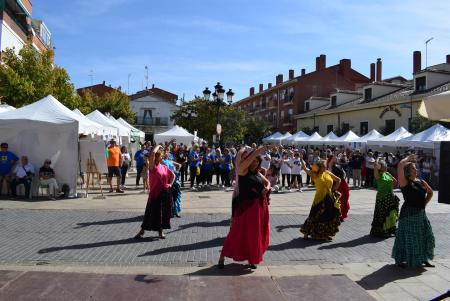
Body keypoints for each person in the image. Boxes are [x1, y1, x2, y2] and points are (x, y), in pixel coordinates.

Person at [218, 146, 271, 269]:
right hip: (246, 208)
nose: (255, 163)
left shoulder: (256, 172)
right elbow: (239, 159)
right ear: (248, 160)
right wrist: (252, 150)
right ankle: (222, 256)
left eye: (257, 161)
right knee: (237, 232)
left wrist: (267, 188)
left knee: (255, 234)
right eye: (253, 160)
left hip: (259, 207)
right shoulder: (242, 171)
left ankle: (252, 259)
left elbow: (267, 182)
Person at [392, 155, 435, 268]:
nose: (416, 169)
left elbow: (430, 193)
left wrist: (424, 203)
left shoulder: (421, 181)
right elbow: (400, 166)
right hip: (408, 214)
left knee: (425, 236)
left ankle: (424, 258)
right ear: (408, 171)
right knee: (410, 238)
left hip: (421, 214)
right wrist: (407, 159)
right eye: (413, 168)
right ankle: (401, 260)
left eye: (416, 168)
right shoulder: (404, 182)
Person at [135, 145, 175, 239]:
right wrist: (159, 146)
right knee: (149, 213)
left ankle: (160, 232)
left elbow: (173, 175)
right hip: (154, 194)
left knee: (162, 214)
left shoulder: (164, 167)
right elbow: (152, 153)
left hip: (164, 193)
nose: (162, 157)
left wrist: (170, 184)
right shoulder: (152, 166)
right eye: (160, 156)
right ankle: (142, 231)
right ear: (156, 157)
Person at [300, 159, 341, 240]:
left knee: (328, 215)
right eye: (323, 166)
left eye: (325, 165)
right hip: (319, 198)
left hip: (329, 197)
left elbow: (338, 180)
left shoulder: (327, 173)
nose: (325, 167)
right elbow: (305, 168)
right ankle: (306, 232)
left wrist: (334, 190)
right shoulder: (314, 174)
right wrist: (301, 159)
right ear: (319, 167)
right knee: (314, 215)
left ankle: (324, 234)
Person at [370, 159, 399, 238]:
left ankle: (391, 229)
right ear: (381, 167)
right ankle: (383, 230)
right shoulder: (378, 175)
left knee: (392, 214)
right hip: (382, 198)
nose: (386, 166)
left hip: (390, 197)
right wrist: (377, 161)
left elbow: (395, 181)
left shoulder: (387, 174)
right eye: (385, 165)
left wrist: (389, 175)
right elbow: (375, 167)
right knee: (383, 215)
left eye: (386, 165)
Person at [328, 155, 350, 221]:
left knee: (345, 198)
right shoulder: (329, 166)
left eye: (336, 158)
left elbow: (344, 173)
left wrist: (343, 178)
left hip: (343, 183)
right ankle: (337, 215)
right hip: (337, 184)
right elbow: (330, 175)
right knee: (338, 199)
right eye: (334, 158)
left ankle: (342, 215)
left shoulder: (339, 166)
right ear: (331, 159)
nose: (336, 159)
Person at [161, 150, 182, 218]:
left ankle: (176, 212)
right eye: (165, 153)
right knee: (169, 197)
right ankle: (170, 212)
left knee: (175, 196)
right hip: (167, 181)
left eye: (168, 153)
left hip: (174, 180)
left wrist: (176, 171)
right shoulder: (162, 162)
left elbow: (179, 165)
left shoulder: (171, 161)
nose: (167, 154)